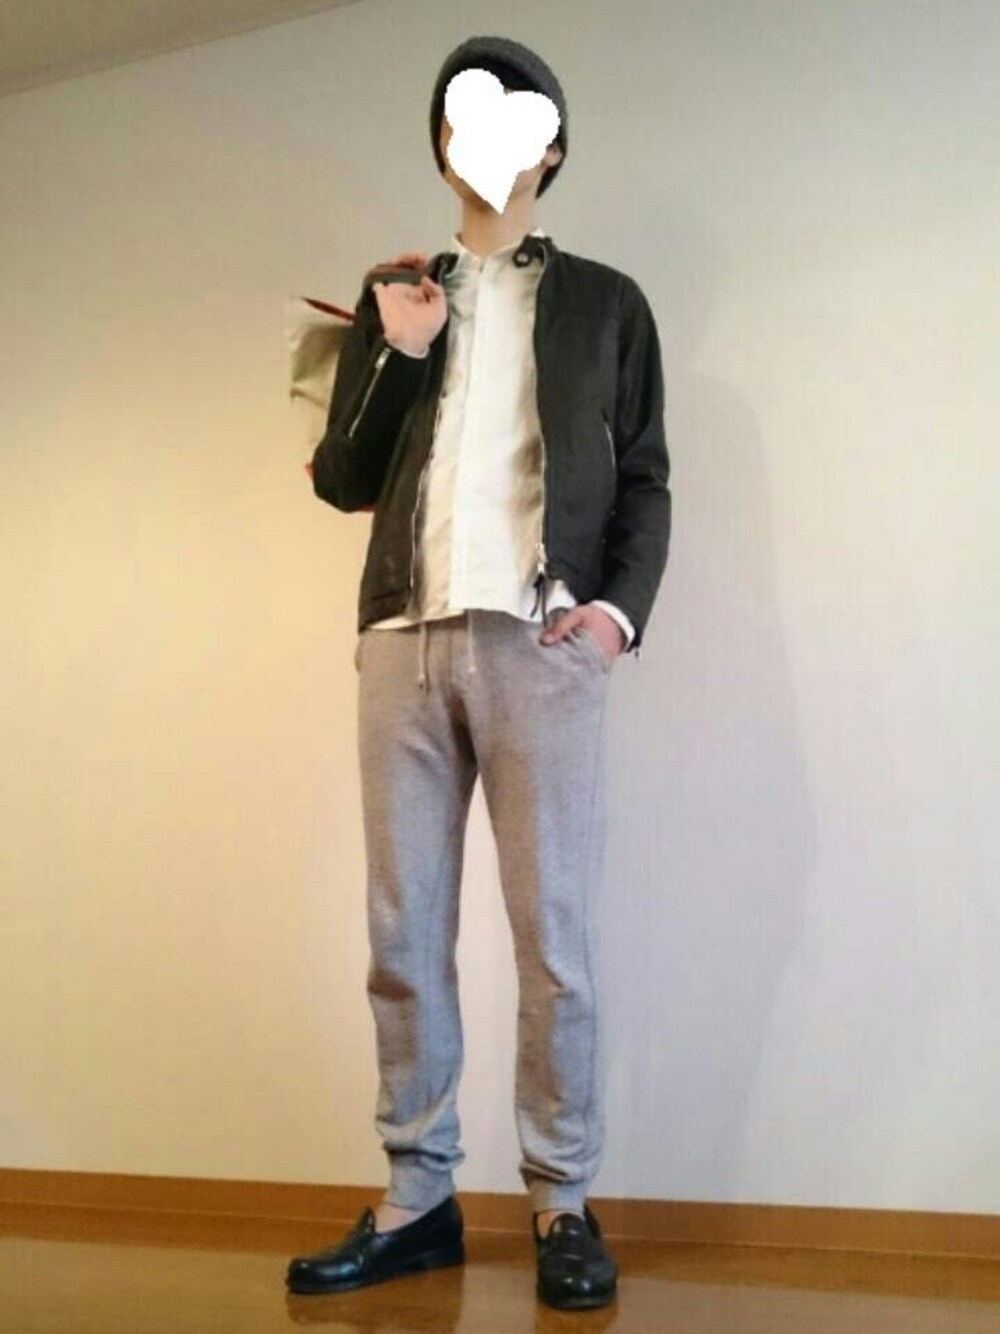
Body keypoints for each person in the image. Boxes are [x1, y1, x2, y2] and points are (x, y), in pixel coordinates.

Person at [287, 34, 670, 1312]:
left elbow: (647, 477)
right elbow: (344, 479)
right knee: (402, 933)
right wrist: (395, 349)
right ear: (444, 145)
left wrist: (616, 613)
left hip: (540, 641)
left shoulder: (607, 304)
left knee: (552, 939)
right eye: (464, 114)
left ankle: (560, 1197)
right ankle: (417, 1199)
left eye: (514, 116)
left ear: (550, 150)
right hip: (402, 637)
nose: (487, 135)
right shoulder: (398, 294)